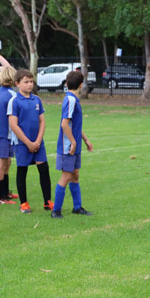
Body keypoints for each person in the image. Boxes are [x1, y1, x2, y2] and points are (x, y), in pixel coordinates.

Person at [8, 69, 53, 214]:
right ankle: (24, 203)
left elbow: (42, 121)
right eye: (26, 82)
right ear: (17, 84)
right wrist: (28, 143)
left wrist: (38, 140)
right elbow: (13, 125)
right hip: (22, 144)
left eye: (31, 81)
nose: (29, 84)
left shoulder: (37, 100)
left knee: (44, 169)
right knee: (22, 170)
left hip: (38, 143)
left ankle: (47, 201)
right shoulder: (14, 101)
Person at [52, 70, 93, 219]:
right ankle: (56, 210)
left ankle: (77, 207)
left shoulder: (74, 99)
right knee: (66, 176)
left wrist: (85, 139)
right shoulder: (70, 100)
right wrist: (73, 142)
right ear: (81, 85)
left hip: (75, 145)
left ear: (67, 83)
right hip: (68, 146)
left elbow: (75, 125)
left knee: (75, 175)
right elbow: (64, 124)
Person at [0, 66, 18, 205]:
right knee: (1, 164)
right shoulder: (12, 95)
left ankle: (5, 192)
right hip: (4, 134)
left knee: (7, 162)